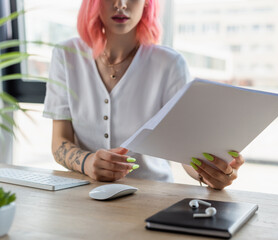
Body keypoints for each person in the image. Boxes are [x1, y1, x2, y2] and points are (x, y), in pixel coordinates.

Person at [43, 0, 244, 190]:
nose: (120, 5)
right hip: (82, 194)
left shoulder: (170, 64)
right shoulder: (66, 55)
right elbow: (59, 141)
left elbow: (186, 150)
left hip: (153, 196)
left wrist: (210, 173)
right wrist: (87, 163)